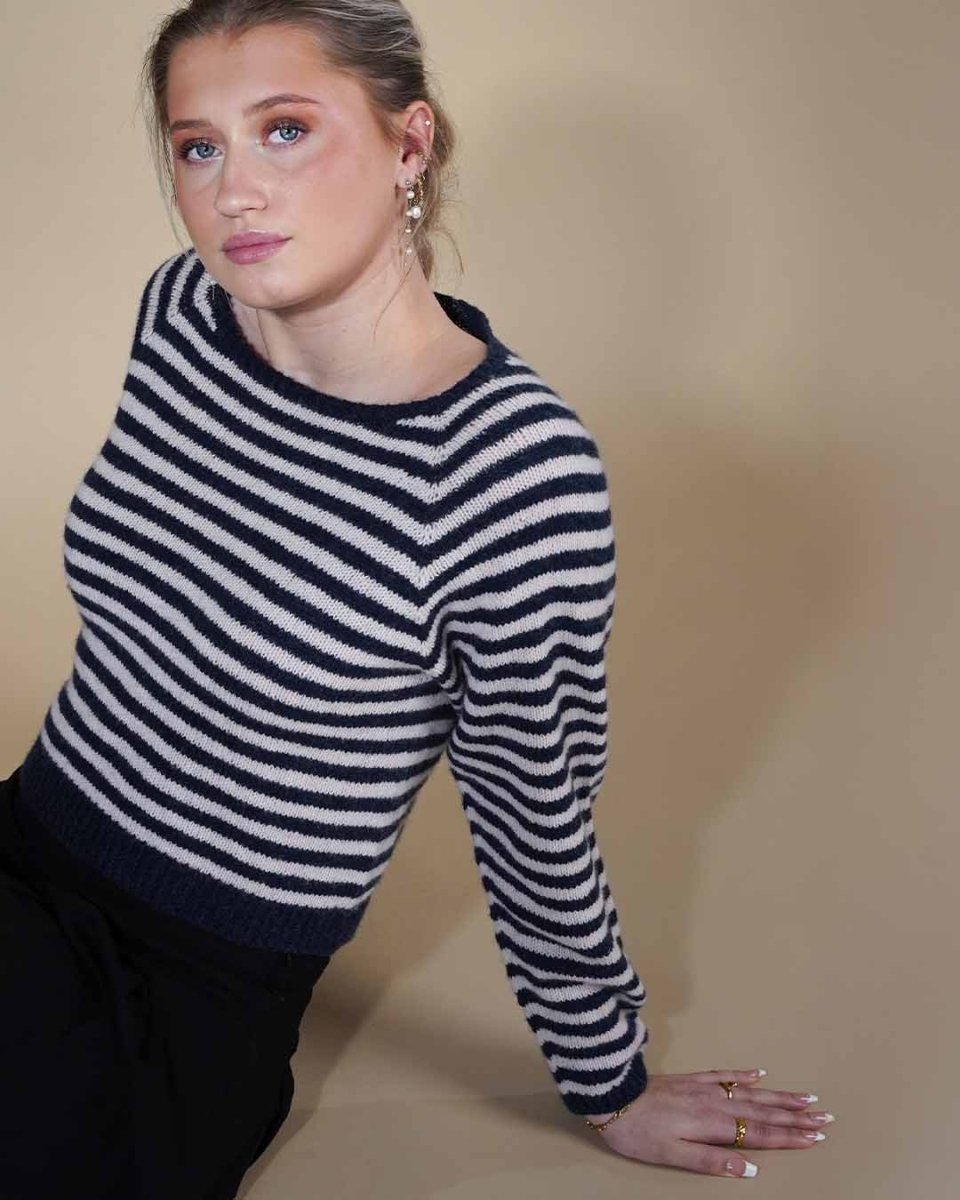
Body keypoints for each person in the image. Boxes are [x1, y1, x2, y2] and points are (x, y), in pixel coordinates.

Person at [0, 1, 833, 1194]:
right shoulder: (180, 314)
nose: (234, 190)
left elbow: (532, 801)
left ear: (409, 143)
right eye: (198, 146)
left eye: (286, 129)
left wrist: (610, 1081)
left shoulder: (511, 473)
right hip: (26, 846)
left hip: (171, 1001)